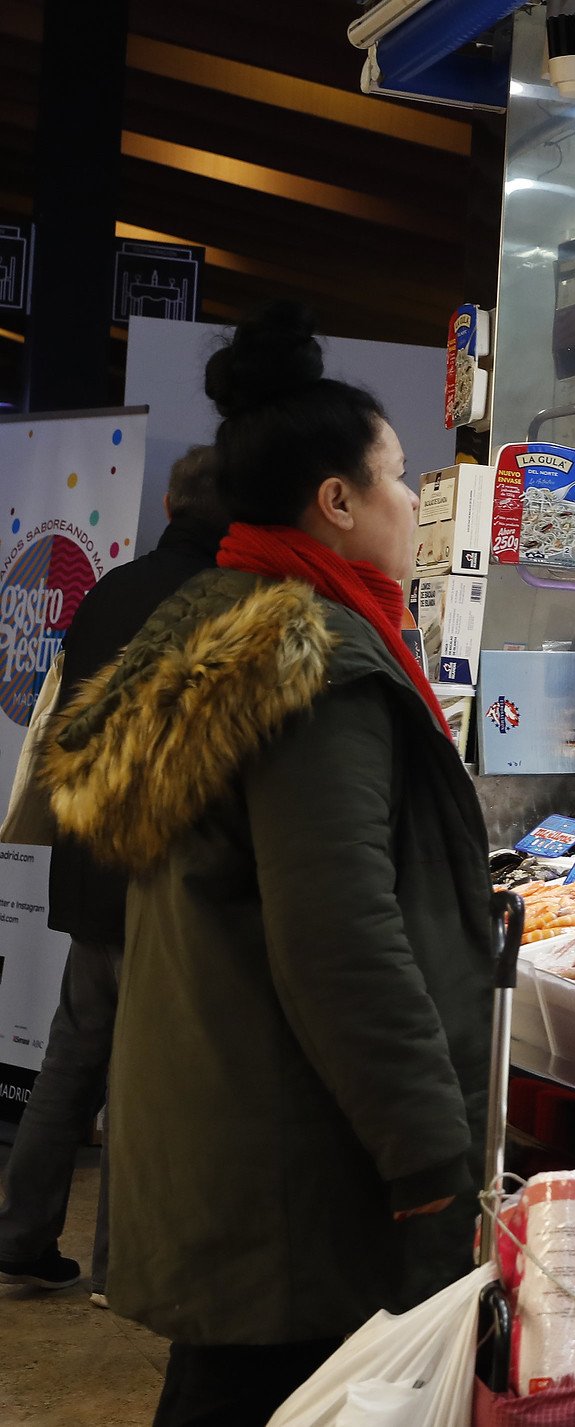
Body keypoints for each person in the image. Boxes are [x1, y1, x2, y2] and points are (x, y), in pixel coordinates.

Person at [39, 303, 493, 1427]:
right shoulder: (313, 666)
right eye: (399, 476)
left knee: (224, 1389)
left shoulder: (219, 622)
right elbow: (339, 935)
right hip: (294, 1149)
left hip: (235, 1117)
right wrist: (429, 1156)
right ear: (337, 501)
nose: (412, 499)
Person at [0, 447, 229, 1304]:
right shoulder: (225, 602)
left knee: (71, 1059)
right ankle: (116, 1266)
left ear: (168, 503)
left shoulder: (106, 591)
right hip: (162, 873)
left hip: (87, 860)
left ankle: (20, 1232)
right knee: (144, 1075)